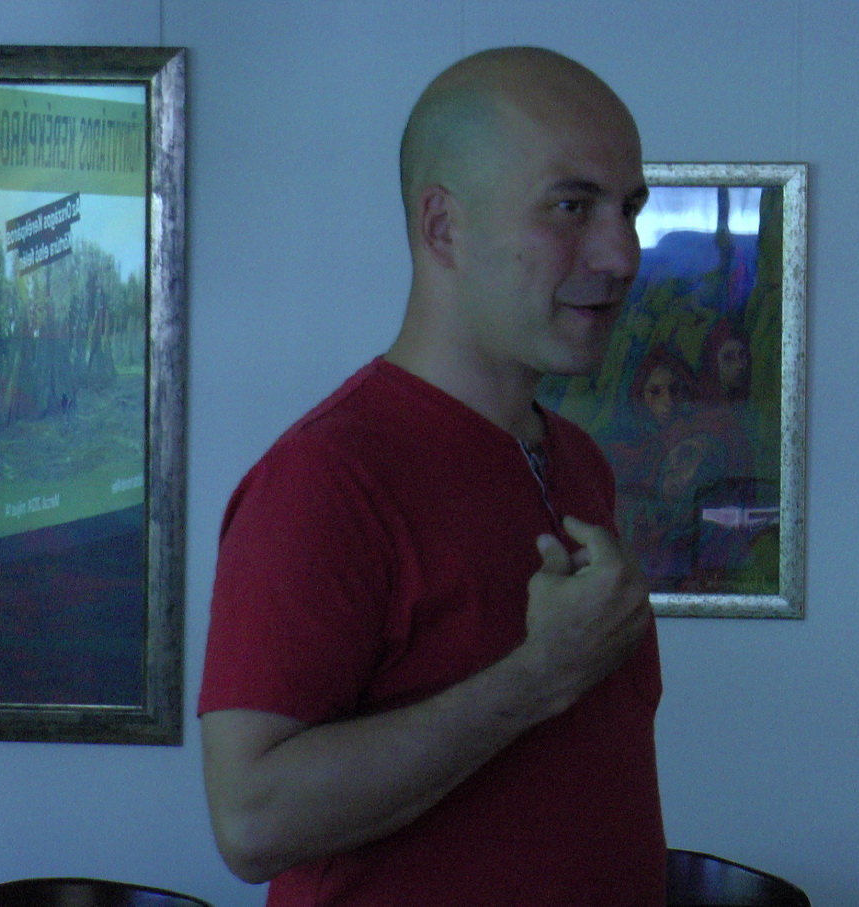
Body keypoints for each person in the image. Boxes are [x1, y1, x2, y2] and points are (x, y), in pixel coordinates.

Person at [197, 47, 664, 906]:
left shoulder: (578, 459)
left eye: (629, 208)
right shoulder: (325, 479)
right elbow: (252, 819)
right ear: (442, 226)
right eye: (571, 206)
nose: (622, 254)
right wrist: (538, 677)